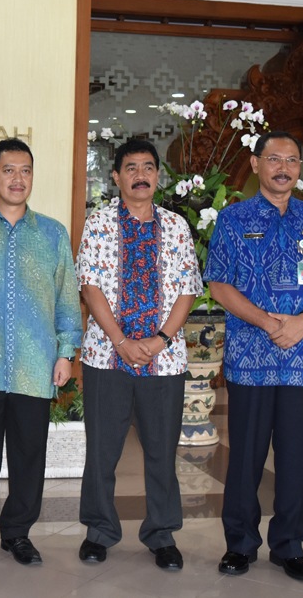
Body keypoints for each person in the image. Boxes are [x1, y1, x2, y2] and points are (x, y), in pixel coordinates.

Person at [206, 131, 303, 582]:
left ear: (299, 168)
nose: (283, 167)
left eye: (291, 160)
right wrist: (269, 323)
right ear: (255, 163)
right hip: (250, 356)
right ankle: (240, 545)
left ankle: (290, 545)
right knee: (245, 456)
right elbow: (219, 284)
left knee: (295, 455)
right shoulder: (232, 219)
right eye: (274, 159)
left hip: (301, 360)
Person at [75, 138, 202, 571]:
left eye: (148, 167)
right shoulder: (98, 222)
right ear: (116, 176)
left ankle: (161, 535)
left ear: (158, 175)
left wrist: (160, 340)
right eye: (131, 168)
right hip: (106, 357)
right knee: (103, 451)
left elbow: (188, 288)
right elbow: (89, 285)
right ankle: (99, 531)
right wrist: (121, 341)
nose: (141, 175)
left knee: (161, 451)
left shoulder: (177, 226)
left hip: (164, 360)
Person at [0, 138, 82, 566]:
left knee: (29, 455)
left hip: (35, 365)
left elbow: (66, 296)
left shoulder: (52, 233)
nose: (17, 179)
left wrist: (66, 351)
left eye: (25, 170)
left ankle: (18, 533)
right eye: (8, 170)